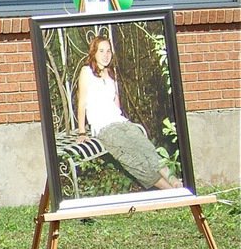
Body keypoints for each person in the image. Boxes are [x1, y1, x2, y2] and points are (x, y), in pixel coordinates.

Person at [75, 34, 179, 190]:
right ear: (94, 53)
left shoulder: (111, 74)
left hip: (121, 122)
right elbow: (81, 103)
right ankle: (170, 191)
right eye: (101, 51)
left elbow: (116, 104)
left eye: (108, 51)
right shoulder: (86, 71)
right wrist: (82, 132)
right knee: (135, 160)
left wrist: (123, 120)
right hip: (105, 128)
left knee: (147, 149)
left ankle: (177, 183)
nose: (106, 55)